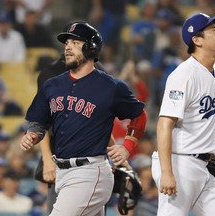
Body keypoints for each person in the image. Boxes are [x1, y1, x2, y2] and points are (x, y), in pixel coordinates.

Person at [19, 21, 147, 216]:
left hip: (89, 172)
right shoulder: (52, 84)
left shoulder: (110, 86)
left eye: (75, 42)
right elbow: (39, 120)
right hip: (62, 172)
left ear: (91, 47)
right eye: (66, 43)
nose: (68, 47)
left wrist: (127, 146)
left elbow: (139, 115)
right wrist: (33, 134)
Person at [151, 13, 215, 216]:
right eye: (213, 30)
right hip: (179, 163)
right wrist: (167, 171)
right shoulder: (183, 75)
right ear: (197, 40)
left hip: (205, 166)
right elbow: (164, 124)